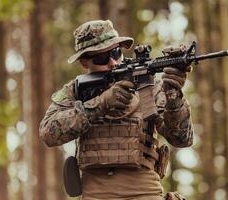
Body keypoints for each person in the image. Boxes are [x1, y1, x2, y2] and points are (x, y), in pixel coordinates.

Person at [39, 19, 193, 200]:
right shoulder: (75, 91)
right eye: (102, 58)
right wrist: (99, 104)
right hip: (95, 195)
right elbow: (48, 133)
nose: (113, 62)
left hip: (146, 193)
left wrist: (174, 98)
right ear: (84, 62)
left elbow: (182, 139)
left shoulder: (148, 85)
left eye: (116, 52)